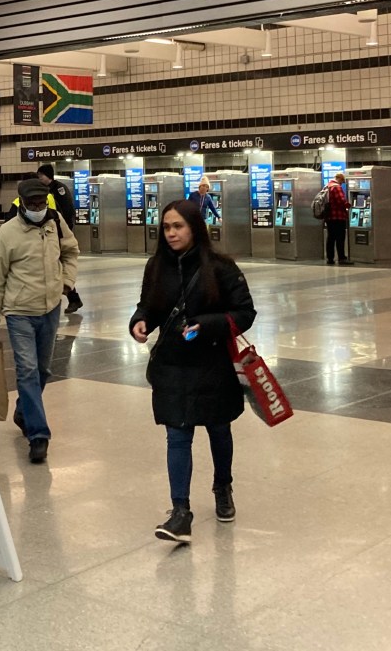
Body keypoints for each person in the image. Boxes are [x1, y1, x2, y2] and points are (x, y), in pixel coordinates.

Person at [129, 199, 255, 545]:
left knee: (218, 429)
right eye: (166, 227)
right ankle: (180, 511)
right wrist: (139, 322)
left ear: (194, 228)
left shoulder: (221, 268)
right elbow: (148, 306)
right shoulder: (156, 267)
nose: (171, 233)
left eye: (178, 226)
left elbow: (245, 313)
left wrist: (205, 324)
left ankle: (222, 486)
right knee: (178, 435)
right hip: (172, 365)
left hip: (212, 364)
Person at [0, 178, 80, 465]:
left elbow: (71, 252)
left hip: (50, 308)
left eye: (41, 203)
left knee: (43, 370)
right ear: (22, 203)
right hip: (19, 312)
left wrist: (66, 283)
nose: (38, 208)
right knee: (26, 372)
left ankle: (23, 411)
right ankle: (38, 435)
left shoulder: (55, 222)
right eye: (32, 204)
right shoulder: (7, 233)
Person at [36, 164, 83, 313]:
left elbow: (67, 210)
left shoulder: (59, 189)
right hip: (48, 234)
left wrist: (66, 231)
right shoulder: (43, 191)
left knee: (58, 265)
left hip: (59, 234)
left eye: (41, 176)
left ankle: (72, 298)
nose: (39, 178)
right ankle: (73, 298)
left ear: (48, 176)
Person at [325, 172, 351, 265]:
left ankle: (330, 258)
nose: (341, 184)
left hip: (329, 217)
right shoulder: (336, 187)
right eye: (342, 181)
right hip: (338, 216)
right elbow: (341, 201)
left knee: (331, 238)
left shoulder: (327, 186)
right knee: (340, 238)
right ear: (340, 179)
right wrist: (349, 205)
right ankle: (342, 258)